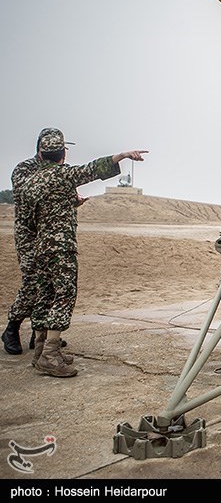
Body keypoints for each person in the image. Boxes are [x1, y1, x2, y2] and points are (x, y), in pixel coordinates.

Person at [18, 128, 147, 377]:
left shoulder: (29, 182)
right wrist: (122, 155)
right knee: (64, 294)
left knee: (44, 294)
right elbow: (91, 169)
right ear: (62, 154)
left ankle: (40, 351)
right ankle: (50, 354)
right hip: (60, 248)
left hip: (39, 247)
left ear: (41, 154)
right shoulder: (63, 175)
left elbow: (28, 219)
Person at [2, 129, 74, 355]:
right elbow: (27, 202)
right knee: (33, 284)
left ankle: (39, 335)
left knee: (50, 284)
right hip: (29, 236)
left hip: (49, 235)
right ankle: (12, 329)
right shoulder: (25, 170)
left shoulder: (56, 171)